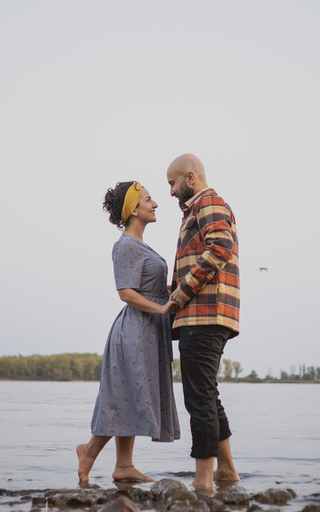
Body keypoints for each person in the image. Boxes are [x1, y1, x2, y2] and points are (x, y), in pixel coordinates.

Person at [77, 181, 181, 485]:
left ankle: (124, 466)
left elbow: (148, 287)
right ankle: (89, 451)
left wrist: (172, 293)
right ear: (133, 209)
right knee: (122, 395)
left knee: (132, 396)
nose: (155, 204)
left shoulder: (141, 246)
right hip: (135, 332)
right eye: (149, 199)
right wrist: (162, 309)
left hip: (148, 332)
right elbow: (125, 292)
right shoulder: (124, 246)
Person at [166, 154, 241, 492]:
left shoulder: (208, 202)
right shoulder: (197, 210)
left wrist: (181, 292)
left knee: (198, 398)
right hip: (207, 314)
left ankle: (203, 479)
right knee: (207, 395)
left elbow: (220, 247)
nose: (170, 191)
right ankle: (226, 472)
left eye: (173, 183)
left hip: (205, 314)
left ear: (190, 178)